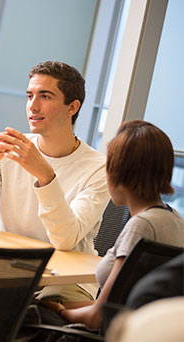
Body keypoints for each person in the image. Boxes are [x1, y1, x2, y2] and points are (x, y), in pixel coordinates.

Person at [0, 61, 110, 301]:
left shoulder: (99, 168)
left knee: (39, 315)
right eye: (30, 95)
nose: (33, 106)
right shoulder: (13, 146)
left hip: (66, 280)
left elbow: (66, 239)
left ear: (72, 107)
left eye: (45, 96)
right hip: (7, 269)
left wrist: (46, 176)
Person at [40, 120, 184, 330]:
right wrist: (61, 305)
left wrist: (60, 311)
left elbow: (98, 317)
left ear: (119, 172)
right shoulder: (176, 221)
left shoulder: (141, 226)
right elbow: (116, 305)